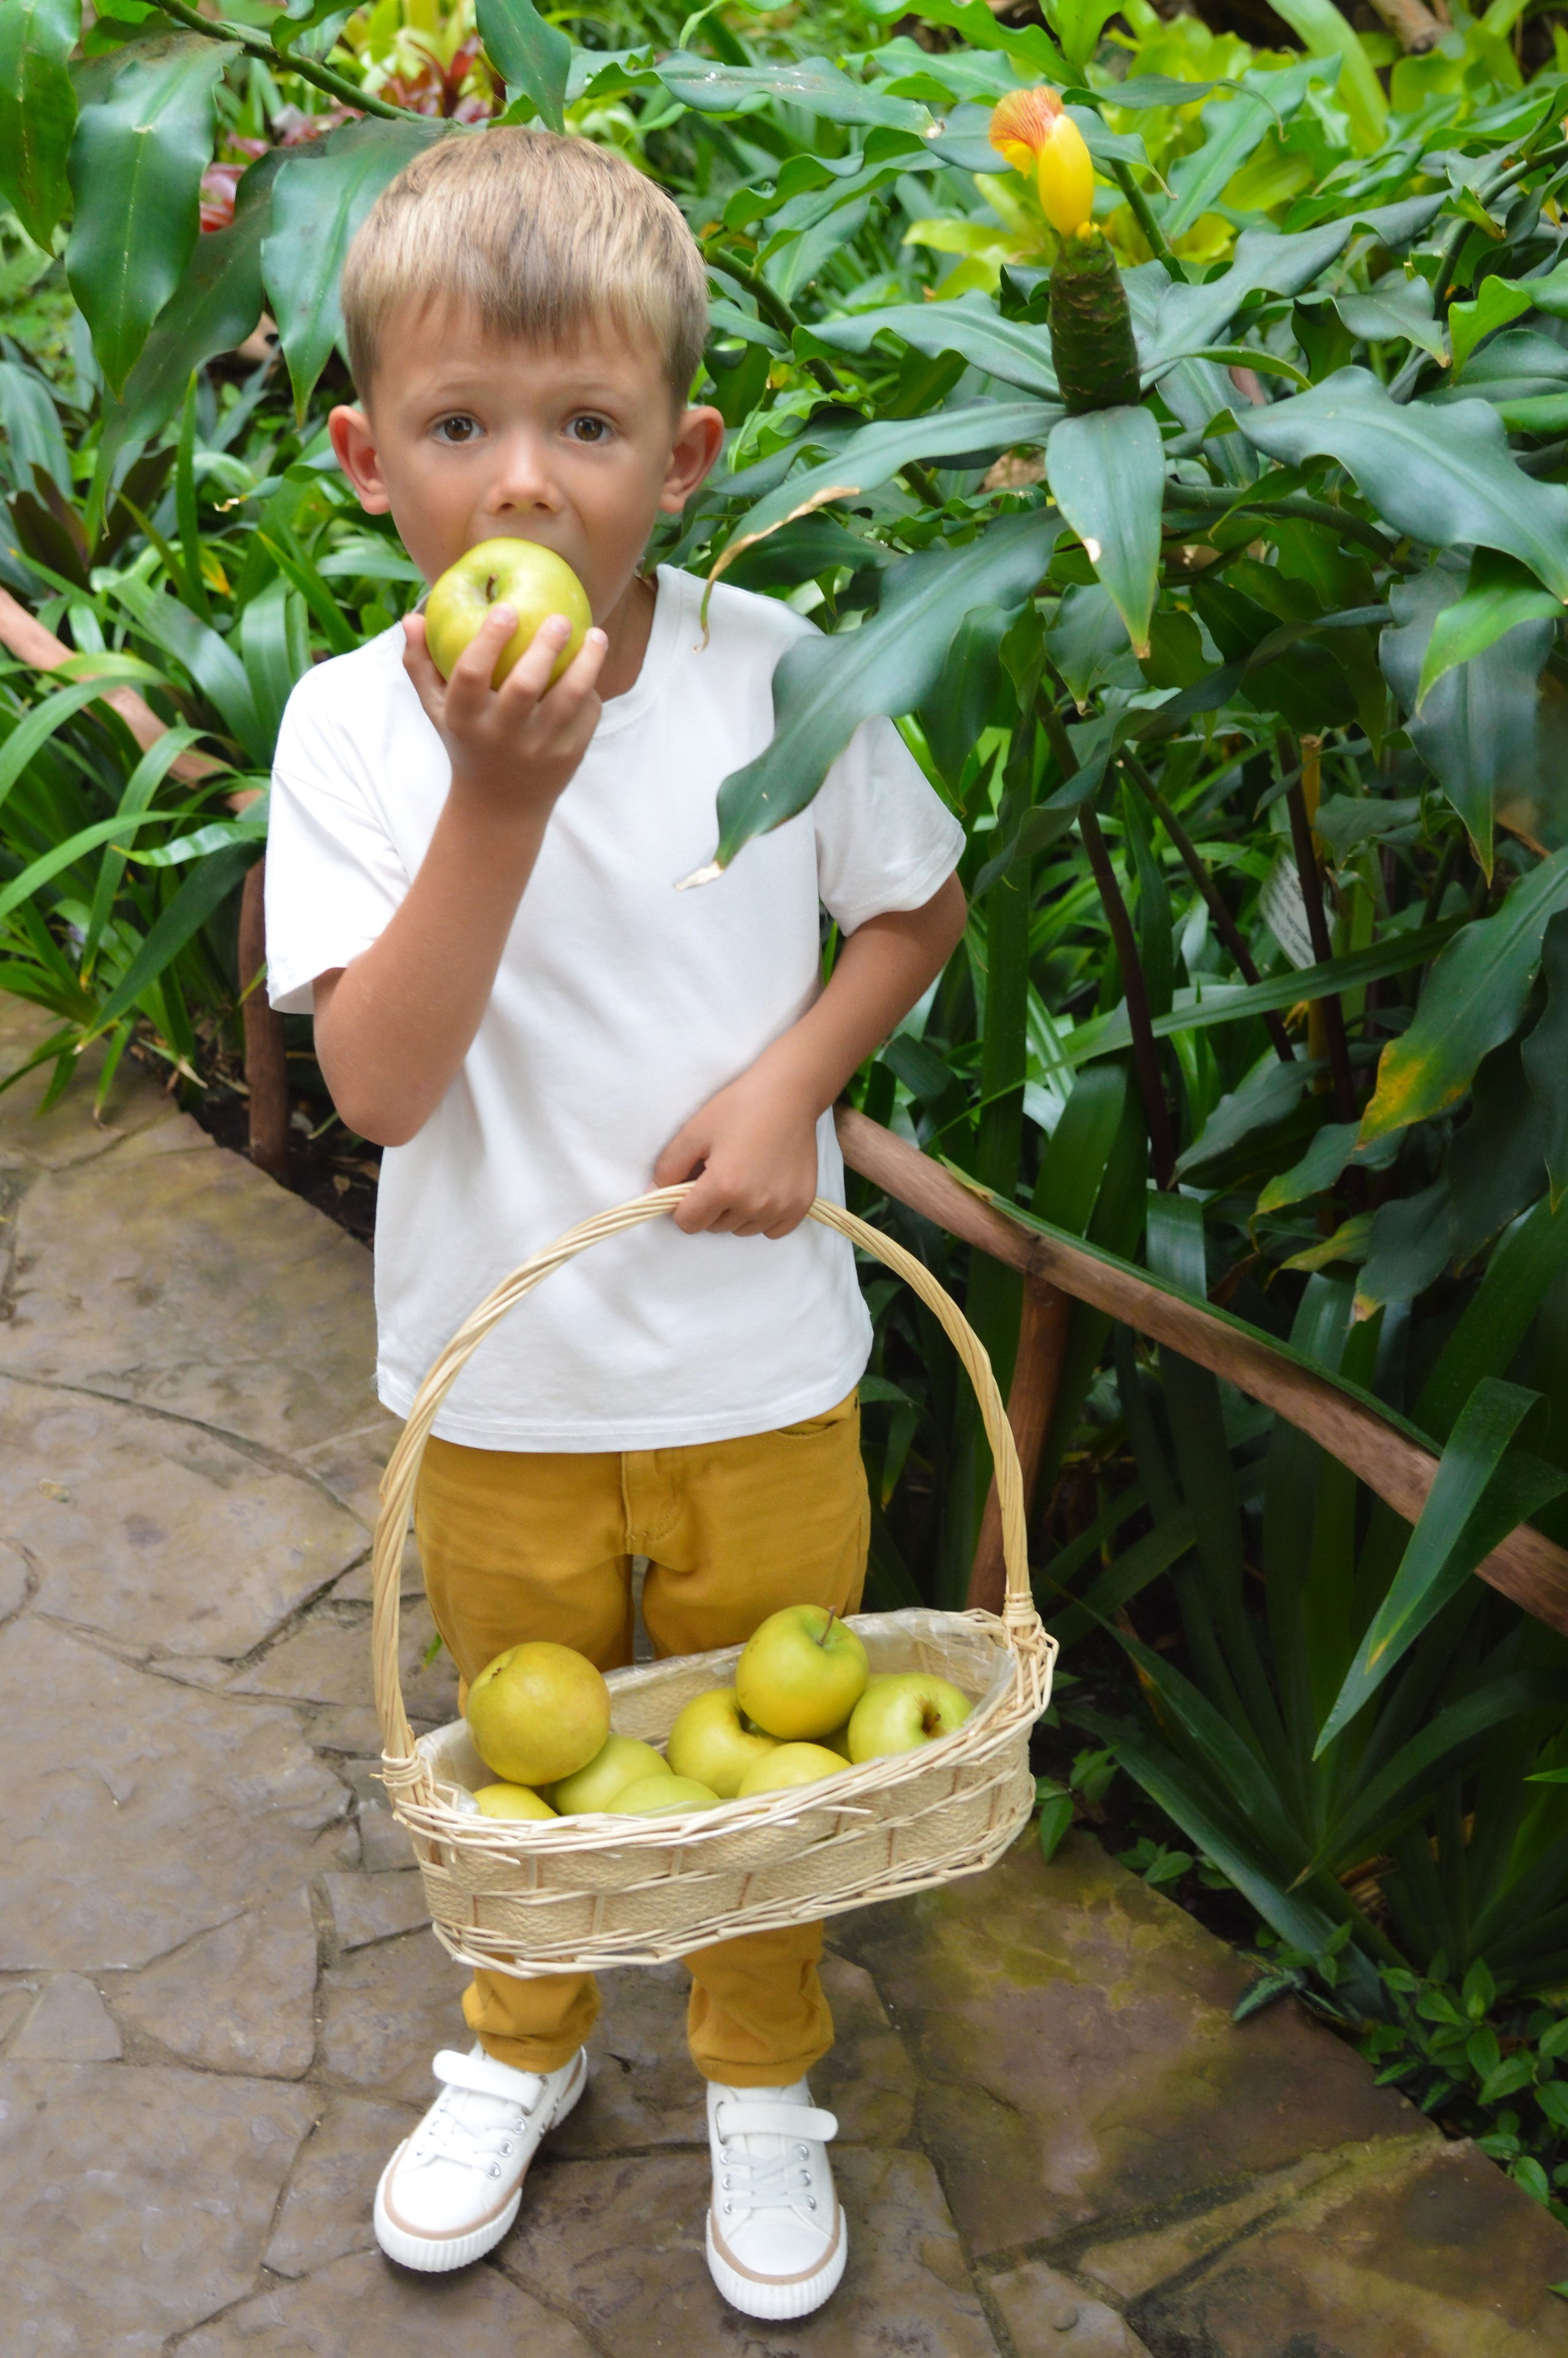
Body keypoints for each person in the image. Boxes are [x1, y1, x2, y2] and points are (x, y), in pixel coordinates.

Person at [264, 126, 967, 2322]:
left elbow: (915, 901)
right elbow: (376, 1087)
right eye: (464, 428)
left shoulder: (780, 671)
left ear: (687, 452)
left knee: (770, 1768)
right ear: (375, 459)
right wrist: (500, 797)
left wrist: (791, 1081)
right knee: (521, 1756)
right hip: (502, 1379)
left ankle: (764, 2074)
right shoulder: (360, 732)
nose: (528, 486)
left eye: (588, 427)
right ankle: (524, 2043)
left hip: (762, 1368)